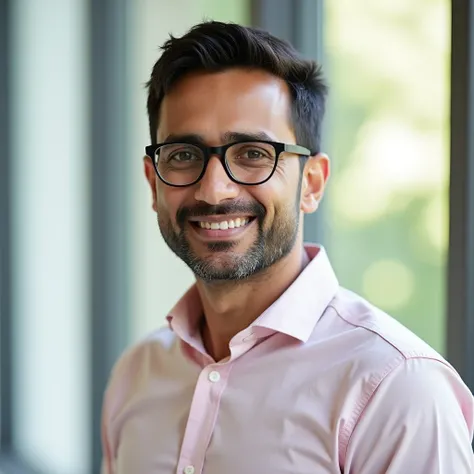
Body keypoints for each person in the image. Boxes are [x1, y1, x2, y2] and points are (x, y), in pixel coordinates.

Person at [101, 21, 474, 474]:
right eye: (182, 155)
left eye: (254, 153)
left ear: (311, 183)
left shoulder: (397, 391)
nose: (214, 191)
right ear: (152, 181)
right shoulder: (136, 376)